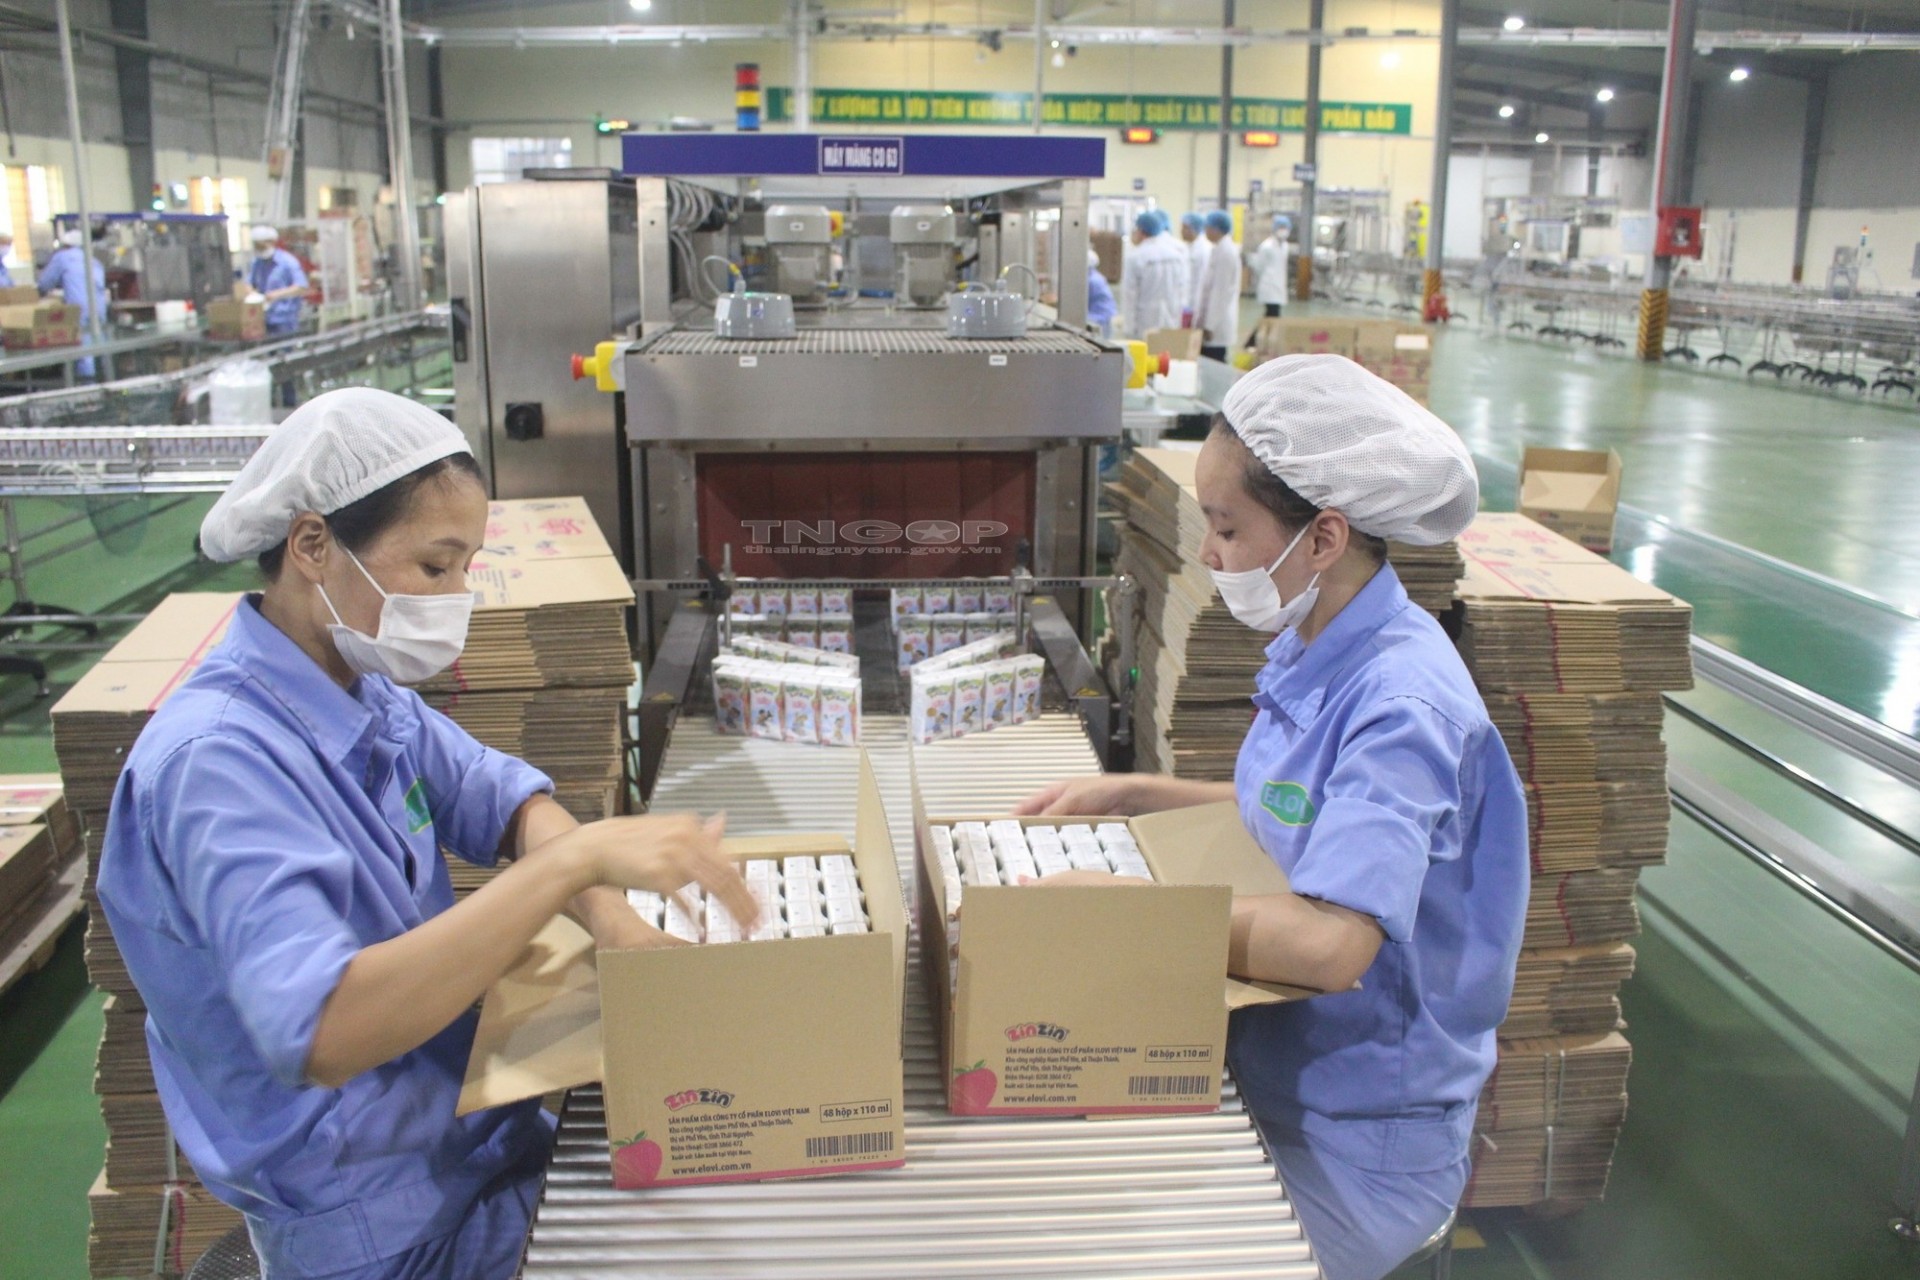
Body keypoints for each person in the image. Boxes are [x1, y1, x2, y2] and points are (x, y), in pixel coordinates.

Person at [95, 387, 757, 1280]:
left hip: (467, 1135)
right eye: (435, 568)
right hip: (376, 1224)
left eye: (466, 569)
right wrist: (576, 868)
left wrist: (613, 920)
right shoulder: (218, 765)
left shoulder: (356, 692)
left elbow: (508, 799)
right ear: (314, 546)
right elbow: (325, 1028)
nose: (456, 599)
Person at [1016, 355, 1527, 1280]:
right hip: (1273, 1066)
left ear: (1323, 537)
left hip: (1358, 1137)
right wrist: (1139, 796)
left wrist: (1125, 913)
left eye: (1224, 527)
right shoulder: (1323, 641)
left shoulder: (1401, 704)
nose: (1208, 554)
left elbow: (1335, 946)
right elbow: (1310, 821)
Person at [38, 225, 108, 379]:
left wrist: (38, 294)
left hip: (80, 310)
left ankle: (88, 387)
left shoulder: (62, 257)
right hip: (100, 309)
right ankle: (105, 380)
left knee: (84, 351)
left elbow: (44, 283)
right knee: (101, 347)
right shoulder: (93, 260)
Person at [1121, 209, 1189, 338]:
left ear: (1141, 231)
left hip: (1144, 323)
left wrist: (1128, 329)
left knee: (1146, 356)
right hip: (1171, 320)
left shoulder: (1136, 257)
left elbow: (1130, 296)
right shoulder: (1176, 256)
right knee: (1167, 356)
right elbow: (1182, 288)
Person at [1195, 208, 1242, 361]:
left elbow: (1221, 292)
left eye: (1207, 228)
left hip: (1217, 324)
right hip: (1212, 319)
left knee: (1214, 362)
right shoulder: (1219, 249)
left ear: (1216, 229)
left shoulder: (1226, 252)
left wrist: (1210, 325)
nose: (1205, 231)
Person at [249, 224, 311, 339]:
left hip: (284, 319)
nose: (259, 249)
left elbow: (301, 286)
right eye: (256, 246)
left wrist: (277, 295)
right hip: (263, 317)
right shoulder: (257, 263)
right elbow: (251, 284)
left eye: (262, 246)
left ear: (272, 242)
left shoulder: (287, 262)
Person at [1245, 215, 1293, 348]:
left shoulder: (1285, 246)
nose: (1283, 230)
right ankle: (1254, 341)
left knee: (1271, 316)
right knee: (1272, 315)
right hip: (1269, 286)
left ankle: (1257, 341)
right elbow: (1259, 266)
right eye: (1281, 227)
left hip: (1279, 286)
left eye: (1285, 228)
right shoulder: (1266, 246)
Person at [1178, 211, 1209, 325]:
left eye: (1184, 228)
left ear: (1193, 229)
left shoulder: (1203, 250)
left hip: (1196, 305)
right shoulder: (1187, 247)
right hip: (1186, 303)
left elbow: (1201, 283)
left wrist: (1195, 309)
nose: (1181, 231)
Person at [1086, 248, 1117, 338]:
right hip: (1102, 314)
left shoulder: (1092, 280)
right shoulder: (1094, 275)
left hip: (1099, 316)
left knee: (1102, 341)